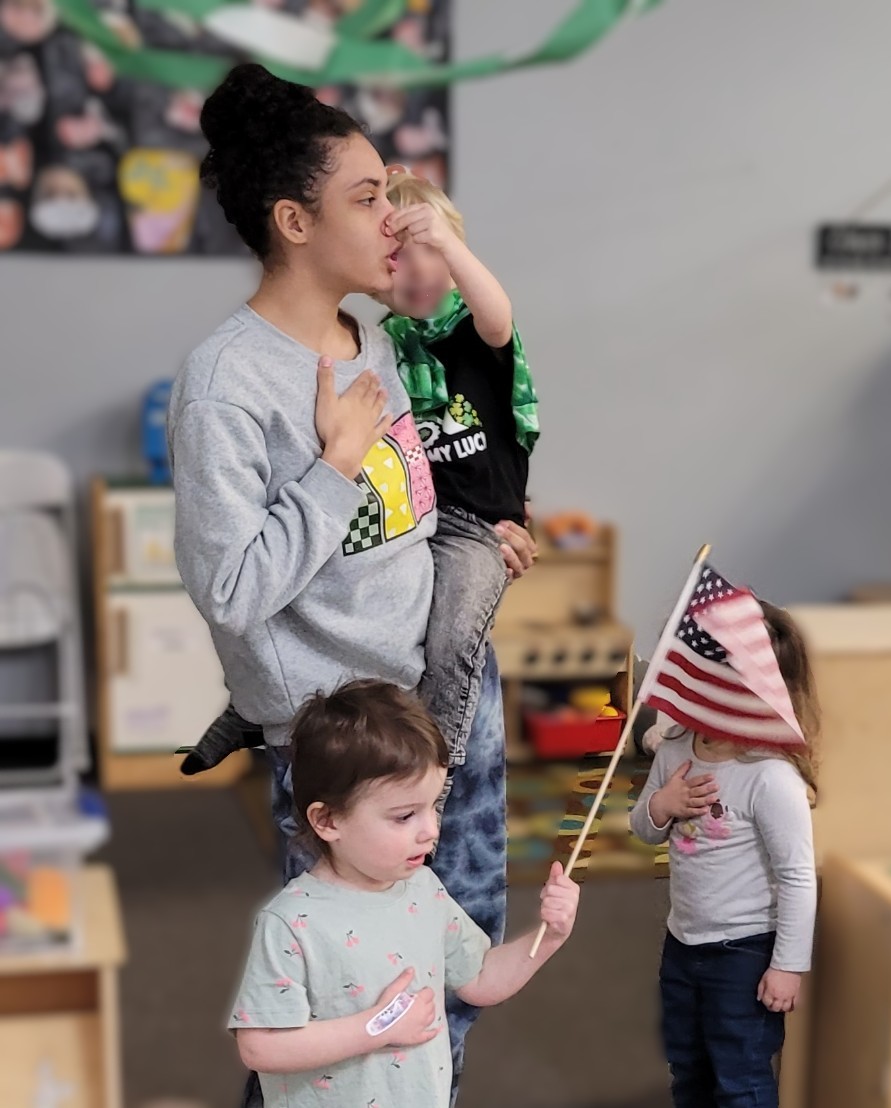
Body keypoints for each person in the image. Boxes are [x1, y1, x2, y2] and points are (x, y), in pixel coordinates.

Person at [166, 63, 536, 1105]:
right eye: (366, 197)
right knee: (340, 1001)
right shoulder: (226, 380)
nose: (392, 218)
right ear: (293, 218)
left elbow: (396, 515)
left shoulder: (368, 337)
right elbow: (232, 587)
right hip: (353, 736)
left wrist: (469, 529)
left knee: (450, 966)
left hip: (446, 697)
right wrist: (333, 465)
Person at [230, 681, 579, 1107]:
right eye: (404, 816)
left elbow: (480, 978)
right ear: (328, 821)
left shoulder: (424, 890)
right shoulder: (292, 922)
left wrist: (549, 937)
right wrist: (378, 1026)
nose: (431, 830)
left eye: (432, 806)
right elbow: (260, 1046)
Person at [380, 167, 539, 811]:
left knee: (451, 643)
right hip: (420, 520)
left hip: (483, 529)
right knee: (405, 644)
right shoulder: (383, 345)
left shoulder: (473, 329)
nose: (416, 270)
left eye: (433, 253)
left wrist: (445, 241)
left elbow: (498, 313)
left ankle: (430, 782)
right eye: (396, 256)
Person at [629, 602, 819, 1108]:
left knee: (741, 1073)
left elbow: (798, 877)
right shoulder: (674, 749)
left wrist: (788, 966)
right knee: (687, 1062)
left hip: (746, 950)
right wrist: (661, 807)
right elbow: (643, 831)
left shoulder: (770, 776)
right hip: (683, 940)